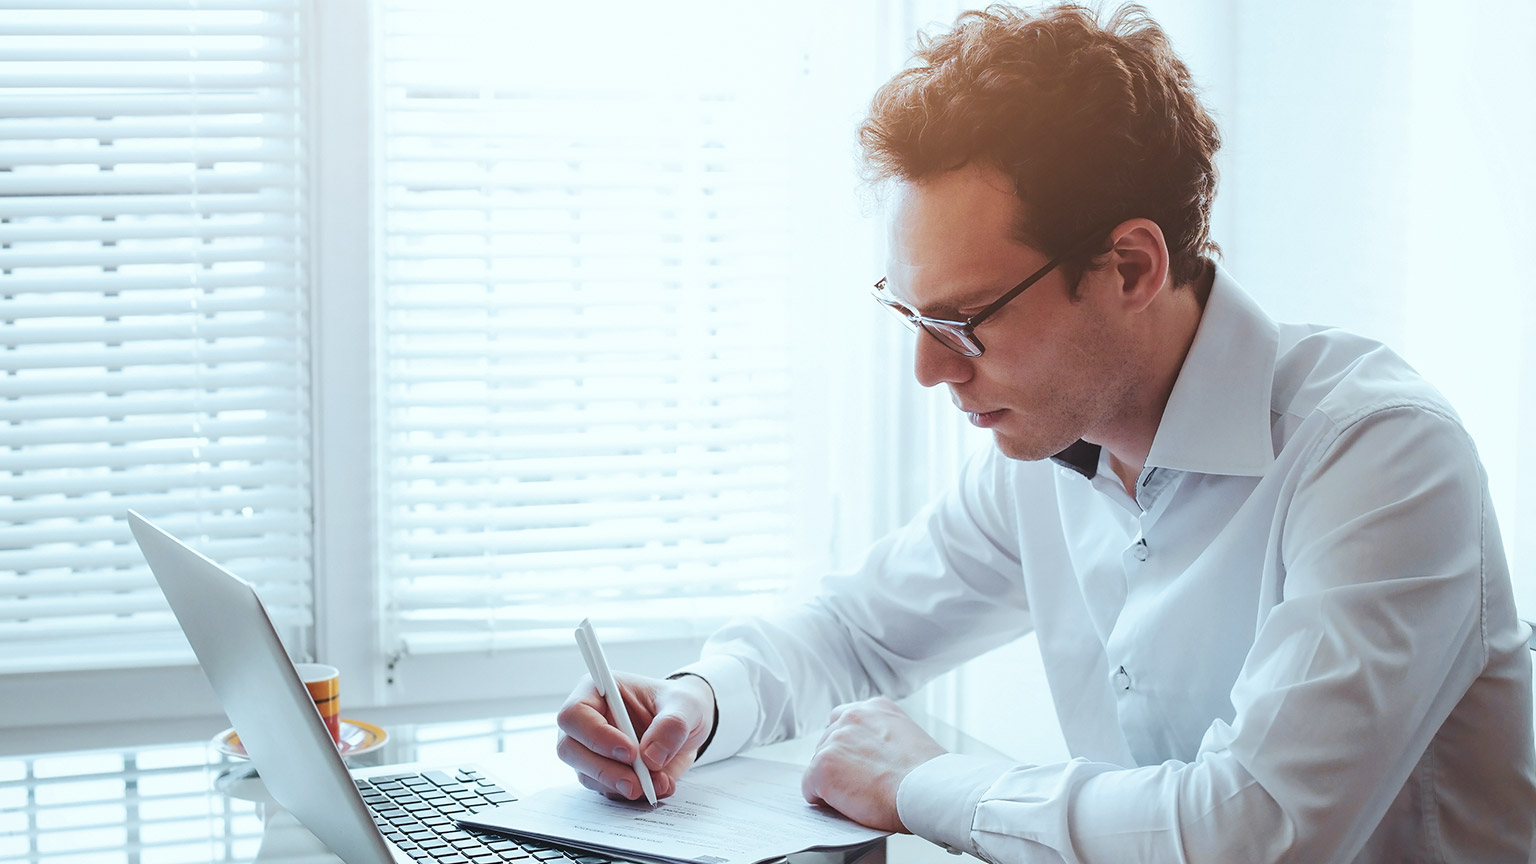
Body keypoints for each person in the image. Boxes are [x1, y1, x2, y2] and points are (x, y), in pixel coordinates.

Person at [555, 3, 1536, 861]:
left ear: (1131, 267)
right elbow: (854, 631)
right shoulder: (1049, 450)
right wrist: (697, 704)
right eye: (913, 320)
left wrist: (919, 784)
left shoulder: (1380, 456)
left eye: (965, 323)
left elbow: (1255, 830)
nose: (931, 371)